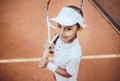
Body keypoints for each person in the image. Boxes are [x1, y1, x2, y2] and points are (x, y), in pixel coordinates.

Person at [39, 5, 86, 81]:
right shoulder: (58, 37)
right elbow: (56, 52)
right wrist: (51, 48)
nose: (61, 33)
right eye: (59, 26)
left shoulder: (74, 54)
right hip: (58, 75)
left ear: (79, 29)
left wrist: (48, 65)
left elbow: (68, 74)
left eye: (68, 28)